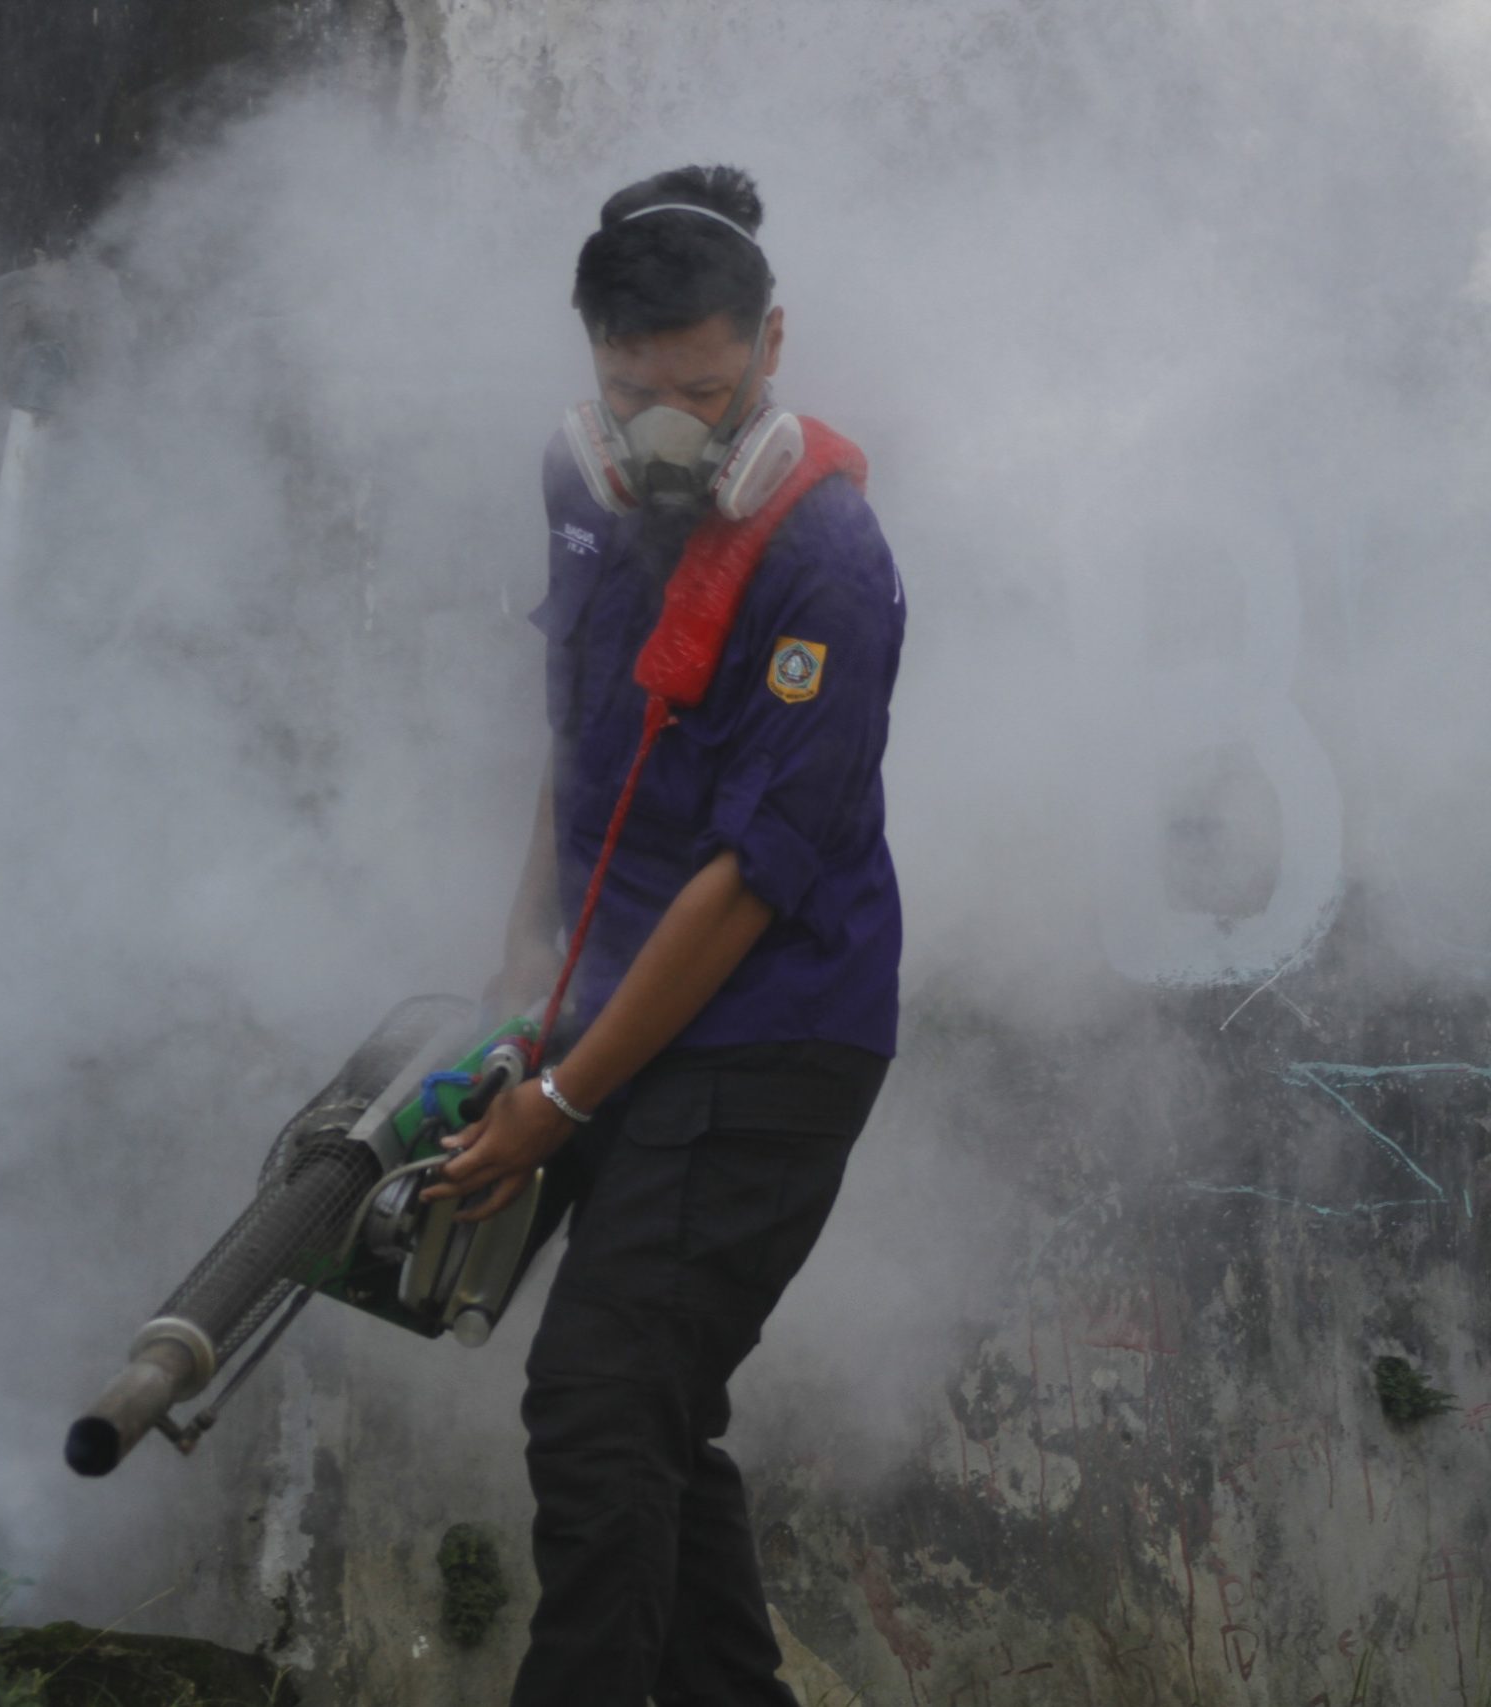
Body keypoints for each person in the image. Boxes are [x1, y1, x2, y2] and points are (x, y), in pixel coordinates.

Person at [421, 164, 905, 1707]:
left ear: (772, 348)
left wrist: (561, 1099)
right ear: (592, 366)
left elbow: (748, 882)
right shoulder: (580, 489)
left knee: (598, 1396)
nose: (667, 431)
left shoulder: (831, 560)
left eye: (704, 389)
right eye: (634, 390)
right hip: (622, 1012)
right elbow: (581, 751)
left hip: (768, 1039)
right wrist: (522, 978)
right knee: (655, 1421)